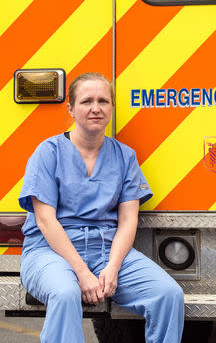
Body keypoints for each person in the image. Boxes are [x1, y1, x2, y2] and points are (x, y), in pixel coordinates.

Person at [18, 72, 184, 343]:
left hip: (107, 251)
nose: (96, 108)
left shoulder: (124, 156)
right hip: (52, 252)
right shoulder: (47, 153)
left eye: (103, 101)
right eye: (86, 101)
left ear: (111, 107)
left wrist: (113, 267)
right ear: (70, 108)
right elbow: (46, 221)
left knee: (168, 295)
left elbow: (128, 221)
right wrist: (82, 273)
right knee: (65, 293)